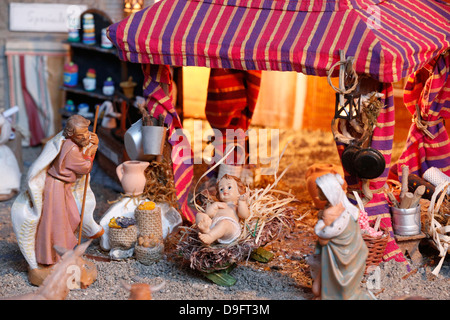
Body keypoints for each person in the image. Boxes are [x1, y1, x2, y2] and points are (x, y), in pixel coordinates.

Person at [11, 115, 103, 285]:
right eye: (81, 135)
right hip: (57, 188)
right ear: (70, 135)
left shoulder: (69, 143)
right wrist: (93, 149)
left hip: (61, 187)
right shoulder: (72, 149)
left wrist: (91, 143)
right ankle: (54, 256)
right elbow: (85, 167)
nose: (85, 137)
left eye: (87, 132)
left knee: (71, 217)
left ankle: (60, 253)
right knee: (58, 223)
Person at [310, 173, 372, 300]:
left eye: (319, 189)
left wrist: (320, 225)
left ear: (328, 192)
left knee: (319, 289)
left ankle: (333, 295)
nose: (317, 192)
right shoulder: (345, 208)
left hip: (340, 258)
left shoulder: (329, 213)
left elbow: (323, 240)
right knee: (318, 289)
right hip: (353, 254)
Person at [196, 174, 249, 245]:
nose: (225, 190)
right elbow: (208, 214)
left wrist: (242, 202)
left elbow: (244, 215)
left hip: (229, 228)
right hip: (214, 226)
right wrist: (214, 205)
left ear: (238, 193)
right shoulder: (218, 204)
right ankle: (206, 230)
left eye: (229, 187)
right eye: (221, 189)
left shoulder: (236, 206)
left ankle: (210, 236)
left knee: (224, 223)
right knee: (199, 215)